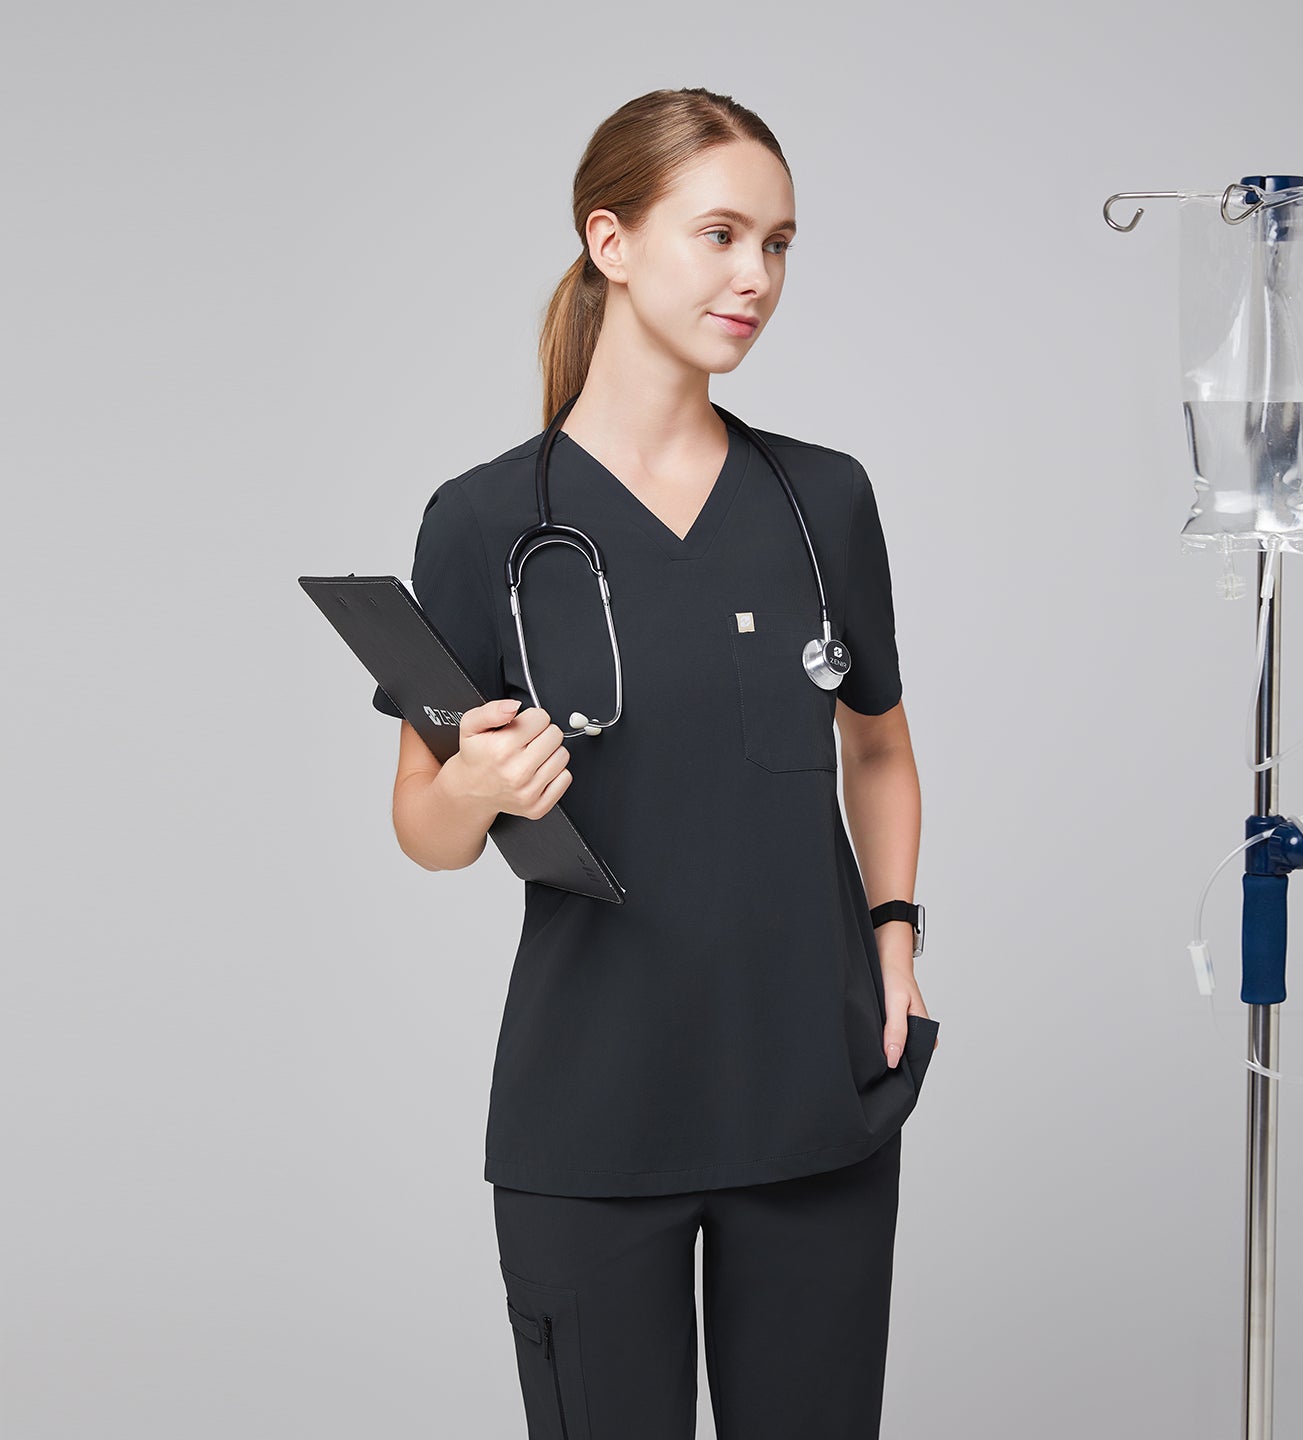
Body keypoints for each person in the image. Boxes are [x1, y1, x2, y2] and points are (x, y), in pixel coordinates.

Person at [373, 86, 938, 1440]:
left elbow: (880, 747)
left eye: (781, 245)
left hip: (811, 1093)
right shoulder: (486, 521)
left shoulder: (823, 501)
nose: (757, 278)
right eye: (723, 235)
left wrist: (896, 938)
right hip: (593, 1110)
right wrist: (473, 789)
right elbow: (423, 821)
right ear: (611, 242)